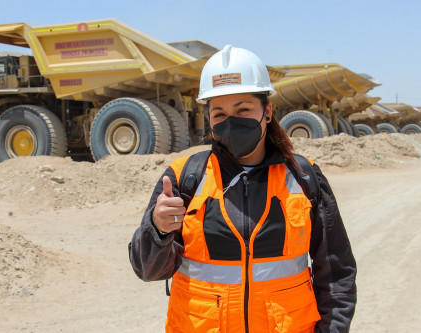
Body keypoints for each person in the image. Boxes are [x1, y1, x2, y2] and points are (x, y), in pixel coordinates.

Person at [129, 45, 357, 333]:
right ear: (208, 119)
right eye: (219, 114)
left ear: (268, 111)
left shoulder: (303, 177)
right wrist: (157, 229)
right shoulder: (183, 179)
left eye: (243, 109)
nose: (231, 122)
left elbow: (337, 273)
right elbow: (148, 270)